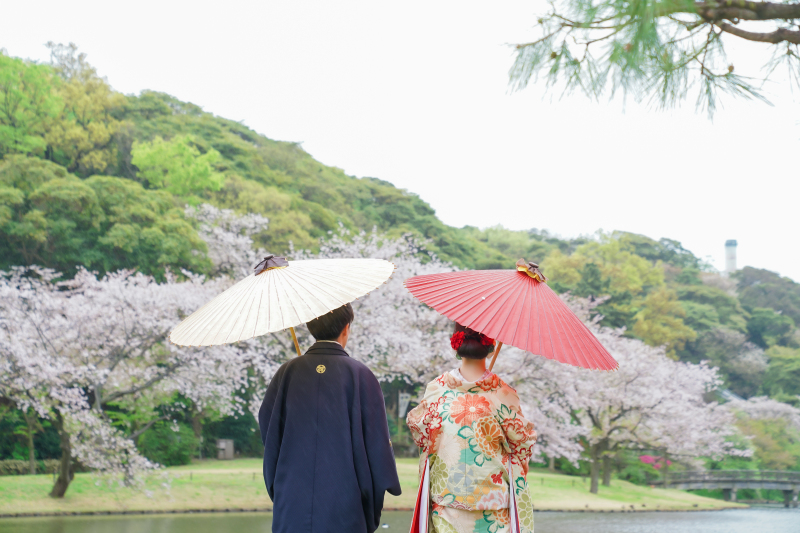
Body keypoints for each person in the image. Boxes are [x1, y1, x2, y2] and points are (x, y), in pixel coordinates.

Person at [259, 303, 401, 533]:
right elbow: (377, 443)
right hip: (345, 499)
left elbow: (269, 429)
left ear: (310, 327)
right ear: (346, 328)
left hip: (293, 496)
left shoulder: (287, 373)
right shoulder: (361, 375)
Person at [406, 323, 537, 533]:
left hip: (446, 503)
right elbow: (522, 445)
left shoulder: (437, 390)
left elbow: (420, 433)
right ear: (491, 343)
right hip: (494, 509)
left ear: (456, 342)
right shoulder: (504, 395)